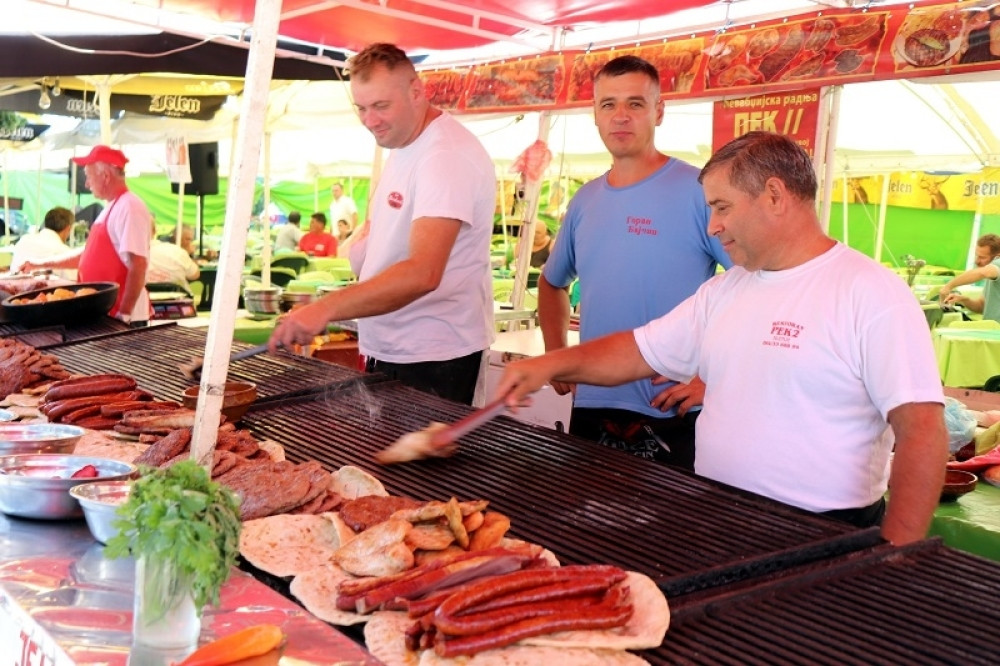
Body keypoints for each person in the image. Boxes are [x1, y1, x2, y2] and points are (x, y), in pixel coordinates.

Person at [495, 131, 947, 545]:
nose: (712, 226)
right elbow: (635, 351)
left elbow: (922, 431)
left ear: (774, 195)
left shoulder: (871, 292)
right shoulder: (724, 290)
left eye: (722, 207)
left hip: (822, 530)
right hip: (717, 513)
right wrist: (547, 364)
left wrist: (896, 553)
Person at [270, 42, 496, 405]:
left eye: (380, 106)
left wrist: (326, 308)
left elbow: (423, 272)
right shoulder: (406, 144)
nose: (370, 120)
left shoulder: (444, 157)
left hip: (434, 355)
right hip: (395, 345)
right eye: (361, 108)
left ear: (416, 91)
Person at [538, 55, 731, 469]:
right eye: (608, 104)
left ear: (659, 111)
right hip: (593, 398)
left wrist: (709, 378)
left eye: (635, 104)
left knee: (670, 529)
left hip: (671, 406)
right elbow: (551, 282)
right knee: (588, 522)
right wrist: (557, 355)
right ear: (594, 113)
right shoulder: (585, 199)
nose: (620, 116)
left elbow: (755, 287)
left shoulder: (699, 191)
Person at [23, 145, 152, 324]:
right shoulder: (111, 207)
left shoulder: (130, 206)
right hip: (106, 312)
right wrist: (40, 264)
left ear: (105, 176)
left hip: (122, 317)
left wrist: (124, 313)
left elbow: (138, 264)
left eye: (88, 176)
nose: (86, 184)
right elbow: (88, 256)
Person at [939, 234, 1000, 321]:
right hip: (990, 330)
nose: (976, 261)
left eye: (982, 257)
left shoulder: (996, 265)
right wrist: (964, 300)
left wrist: (949, 286)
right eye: (977, 256)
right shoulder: (993, 276)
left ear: (997, 257)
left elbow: (984, 272)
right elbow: (981, 307)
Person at [10, 206, 76, 279]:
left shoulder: (24, 240)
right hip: (44, 289)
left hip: (11, 287)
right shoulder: (65, 253)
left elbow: (13, 269)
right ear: (68, 228)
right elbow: (75, 281)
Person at [147, 221, 200, 292]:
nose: (189, 242)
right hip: (178, 300)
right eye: (187, 239)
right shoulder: (177, 251)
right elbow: (195, 275)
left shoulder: (130, 257)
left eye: (191, 239)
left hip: (148, 300)